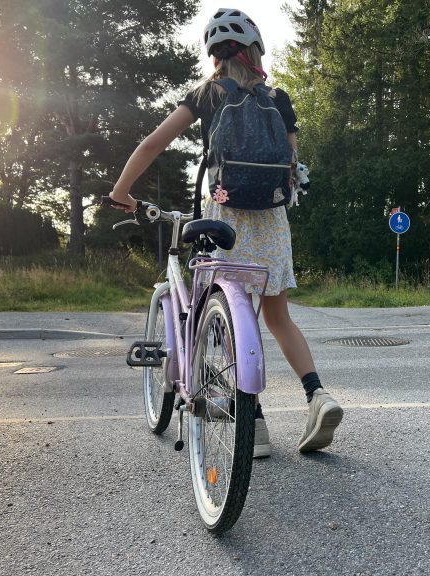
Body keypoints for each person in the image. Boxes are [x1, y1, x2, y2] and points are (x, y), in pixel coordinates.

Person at [109, 8, 343, 458]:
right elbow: (291, 168)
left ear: (214, 55)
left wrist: (123, 190)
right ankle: (317, 395)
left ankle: (252, 425)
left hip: (225, 220)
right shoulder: (277, 98)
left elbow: (154, 143)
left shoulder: (206, 93)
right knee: (278, 318)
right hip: (273, 222)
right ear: (255, 51)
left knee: (232, 323)